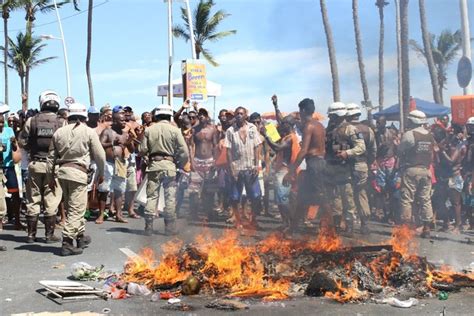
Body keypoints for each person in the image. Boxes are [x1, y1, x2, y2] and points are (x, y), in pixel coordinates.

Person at [48, 102, 106, 256]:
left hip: (62, 173)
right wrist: (102, 173)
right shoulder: (88, 131)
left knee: (72, 206)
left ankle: (80, 237)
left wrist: (50, 177)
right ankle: (67, 242)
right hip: (78, 173)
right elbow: (100, 155)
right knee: (76, 210)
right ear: (84, 117)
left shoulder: (59, 132)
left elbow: (51, 158)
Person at [18, 90, 63, 242]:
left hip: (35, 165)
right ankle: (49, 236)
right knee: (51, 200)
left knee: (33, 199)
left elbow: (22, 142)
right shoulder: (62, 122)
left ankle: (31, 235)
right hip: (54, 167)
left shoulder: (32, 121)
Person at [138, 104, 189, 236]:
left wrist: (148, 157)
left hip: (154, 166)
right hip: (169, 167)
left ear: (157, 115)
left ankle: (148, 227)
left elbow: (142, 150)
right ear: (169, 115)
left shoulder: (149, 130)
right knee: (170, 197)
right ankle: (169, 227)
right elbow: (184, 151)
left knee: (152, 196)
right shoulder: (175, 130)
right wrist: (180, 164)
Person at [284, 99, 327, 233]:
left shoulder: (309, 126)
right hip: (318, 163)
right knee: (302, 196)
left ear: (302, 111)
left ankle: (330, 228)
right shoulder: (319, 125)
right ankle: (293, 229)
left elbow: (303, 151)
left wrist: (291, 171)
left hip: (314, 164)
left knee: (321, 197)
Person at [324, 102, 366, 236]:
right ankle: (336, 224)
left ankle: (350, 226)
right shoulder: (330, 130)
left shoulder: (351, 129)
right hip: (331, 169)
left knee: (347, 198)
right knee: (334, 198)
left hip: (345, 169)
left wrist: (346, 153)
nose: (330, 118)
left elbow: (361, 147)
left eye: (331, 116)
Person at [399, 110, 435, 238]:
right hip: (426, 170)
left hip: (411, 170)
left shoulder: (409, 134)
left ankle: (405, 228)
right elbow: (432, 153)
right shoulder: (429, 135)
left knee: (407, 199)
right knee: (425, 199)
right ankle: (426, 228)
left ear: (413, 121)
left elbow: (400, 150)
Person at [225, 106, 262, 229]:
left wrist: (257, 165)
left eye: (241, 114)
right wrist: (231, 168)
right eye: (237, 114)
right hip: (237, 168)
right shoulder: (230, 131)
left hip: (250, 167)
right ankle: (238, 220)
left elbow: (257, 146)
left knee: (255, 196)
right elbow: (228, 150)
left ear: (246, 115)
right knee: (235, 197)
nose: (239, 116)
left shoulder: (252, 128)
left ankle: (253, 219)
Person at [96, 106, 134, 224]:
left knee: (119, 190)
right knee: (104, 189)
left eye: (125, 120)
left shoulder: (125, 133)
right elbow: (99, 145)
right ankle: (101, 214)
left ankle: (119, 215)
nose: (124, 122)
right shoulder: (107, 131)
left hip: (121, 164)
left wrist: (129, 142)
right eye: (122, 120)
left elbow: (132, 150)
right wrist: (112, 142)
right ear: (115, 120)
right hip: (108, 163)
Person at [263, 115, 300, 230]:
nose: (280, 125)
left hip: (285, 171)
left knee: (282, 198)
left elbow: (278, 148)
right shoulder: (287, 137)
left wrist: (266, 136)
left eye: (283, 124)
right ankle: (287, 223)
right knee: (282, 198)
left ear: (288, 125)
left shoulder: (290, 138)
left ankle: (289, 224)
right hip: (284, 170)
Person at [346, 103, 376, 234]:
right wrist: (368, 163)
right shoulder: (368, 130)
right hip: (363, 165)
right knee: (361, 193)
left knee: (348, 194)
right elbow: (373, 150)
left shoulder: (346, 129)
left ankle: (350, 225)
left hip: (349, 165)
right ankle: (365, 223)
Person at [433, 124, 467, 233]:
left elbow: (451, 161)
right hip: (444, 177)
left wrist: (441, 151)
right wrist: (440, 149)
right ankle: (446, 223)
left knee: (455, 202)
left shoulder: (458, 146)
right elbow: (438, 157)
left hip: (454, 176)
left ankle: (458, 225)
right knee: (441, 201)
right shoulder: (447, 145)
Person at [187, 107, 219, 220]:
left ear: (207, 116)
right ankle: (193, 214)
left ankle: (208, 213)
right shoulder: (194, 129)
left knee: (209, 191)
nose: (201, 116)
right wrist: (192, 162)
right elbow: (191, 146)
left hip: (210, 161)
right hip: (197, 161)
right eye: (199, 114)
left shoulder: (213, 129)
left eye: (203, 114)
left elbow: (215, 146)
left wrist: (216, 161)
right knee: (193, 191)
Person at [463, 117, 474, 230]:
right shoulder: (469, 141)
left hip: (471, 174)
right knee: (468, 200)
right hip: (468, 173)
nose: (469, 128)